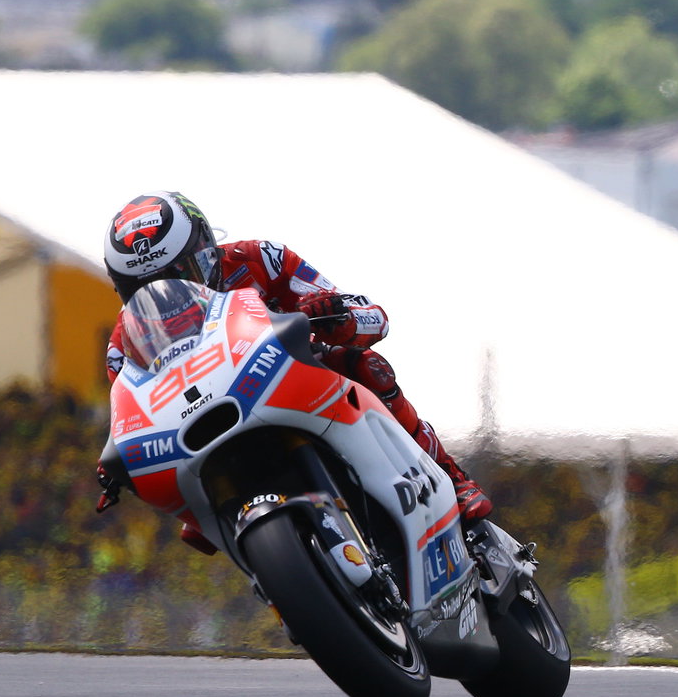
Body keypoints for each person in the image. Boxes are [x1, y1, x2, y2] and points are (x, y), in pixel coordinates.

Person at [100, 191, 491, 554]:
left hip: (296, 381)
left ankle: (449, 476)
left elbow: (370, 315)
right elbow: (131, 414)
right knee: (193, 515)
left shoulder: (260, 258)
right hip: (208, 422)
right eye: (144, 286)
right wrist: (116, 462)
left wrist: (337, 316)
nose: (166, 294)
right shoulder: (122, 345)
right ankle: (285, 593)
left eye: (178, 274)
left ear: (205, 253)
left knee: (364, 367)